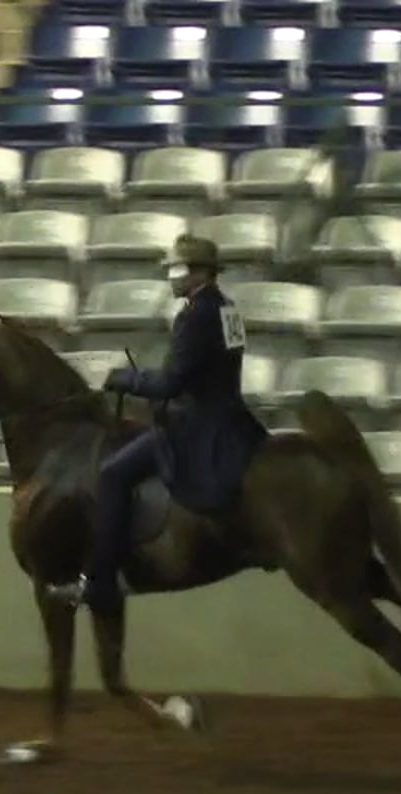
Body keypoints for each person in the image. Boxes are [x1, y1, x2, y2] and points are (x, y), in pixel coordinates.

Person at [47, 235, 269, 616]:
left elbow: (170, 385)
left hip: (198, 426)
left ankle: (100, 583)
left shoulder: (195, 314)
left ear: (199, 271)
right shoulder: (226, 308)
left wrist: (121, 378)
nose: (171, 275)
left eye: (177, 268)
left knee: (113, 473)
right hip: (233, 420)